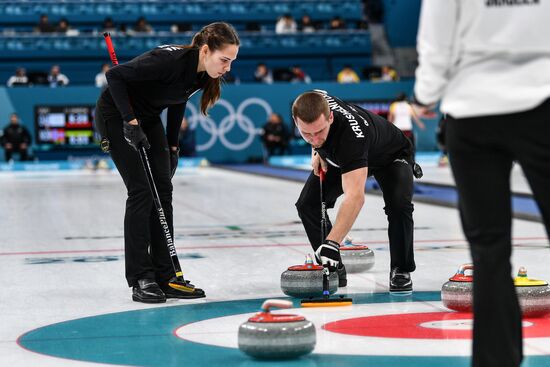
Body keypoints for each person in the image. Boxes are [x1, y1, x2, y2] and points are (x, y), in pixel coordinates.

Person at [413, 1, 550, 366]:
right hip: (543, 98)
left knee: (489, 250)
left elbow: (436, 40)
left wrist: (425, 95)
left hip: (473, 109)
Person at [94, 22, 240, 303]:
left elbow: (178, 100)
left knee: (164, 191)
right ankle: (141, 277)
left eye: (232, 61)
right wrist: (130, 122)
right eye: (224, 60)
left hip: (147, 118)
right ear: (206, 50)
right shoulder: (167, 61)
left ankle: (167, 275)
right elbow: (114, 76)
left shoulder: (201, 74)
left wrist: (173, 145)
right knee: (141, 191)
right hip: (116, 114)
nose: (227, 68)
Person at [293, 90, 420, 292]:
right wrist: (317, 150)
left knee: (399, 205)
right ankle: (334, 267)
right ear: (296, 121)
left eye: (319, 132)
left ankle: (401, 269)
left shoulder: (351, 138)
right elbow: (315, 126)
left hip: (391, 155)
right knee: (308, 205)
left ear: (331, 117)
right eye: (307, 134)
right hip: (344, 155)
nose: (315, 138)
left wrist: (333, 242)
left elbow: (355, 197)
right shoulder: (313, 99)